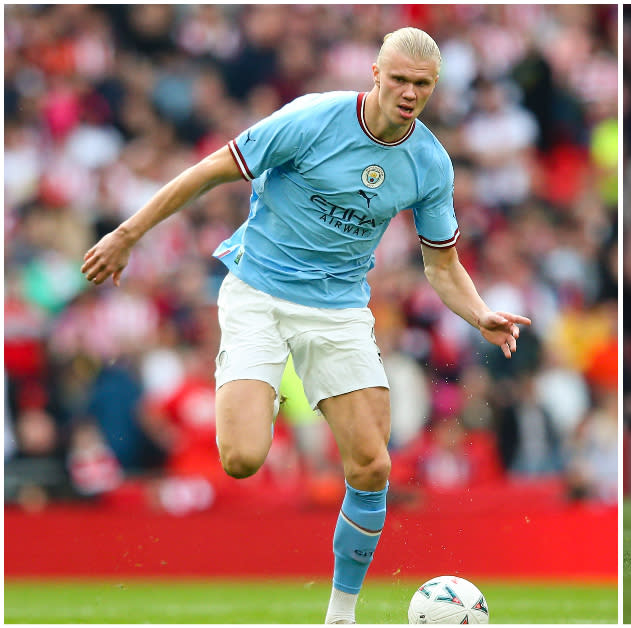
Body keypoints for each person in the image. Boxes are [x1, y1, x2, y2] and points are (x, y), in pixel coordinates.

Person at [81, 27, 531, 624]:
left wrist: (480, 314)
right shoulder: (311, 119)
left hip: (340, 308)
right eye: (398, 79)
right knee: (241, 459)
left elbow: (440, 262)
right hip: (259, 294)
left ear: (434, 89)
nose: (408, 93)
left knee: (373, 466)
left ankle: (340, 615)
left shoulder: (429, 163)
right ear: (375, 72)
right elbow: (210, 170)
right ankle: (253, 386)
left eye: (421, 85)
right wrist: (126, 234)